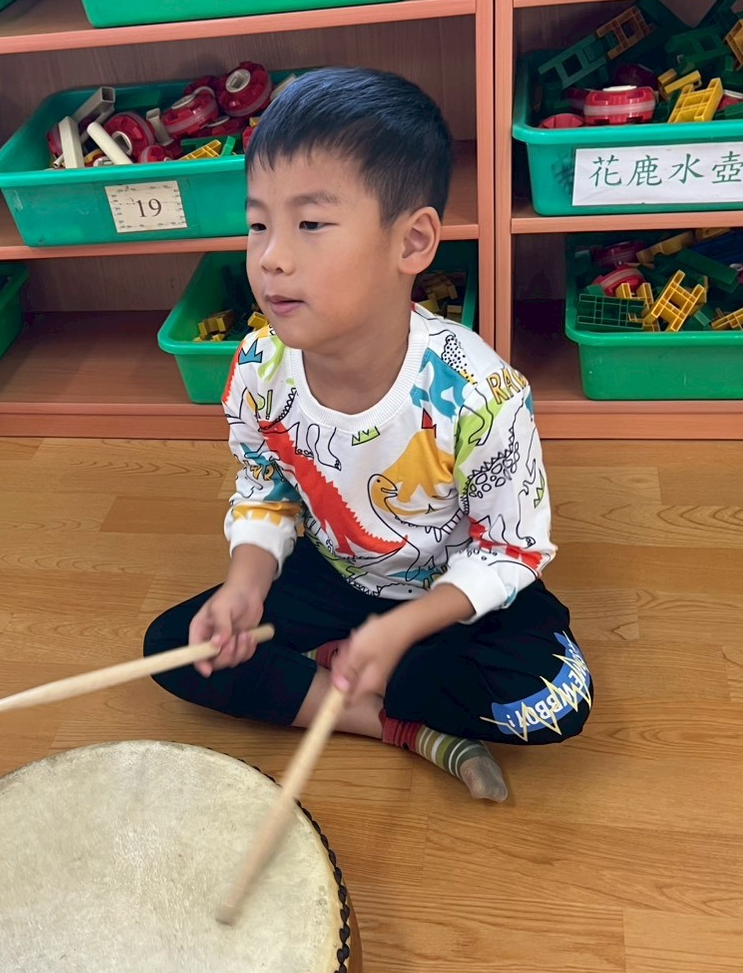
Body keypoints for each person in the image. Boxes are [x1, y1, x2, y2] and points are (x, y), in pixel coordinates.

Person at [143, 68, 592, 801]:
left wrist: (402, 629)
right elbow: (265, 487)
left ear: (411, 242)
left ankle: (343, 668)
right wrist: (245, 584)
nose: (271, 256)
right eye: (258, 224)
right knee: (175, 647)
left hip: (445, 590)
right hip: (336, 574)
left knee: (554, 699)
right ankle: (404, 726)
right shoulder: (258, 366)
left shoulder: (481, 395)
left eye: (310, 225)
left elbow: (512, 549)